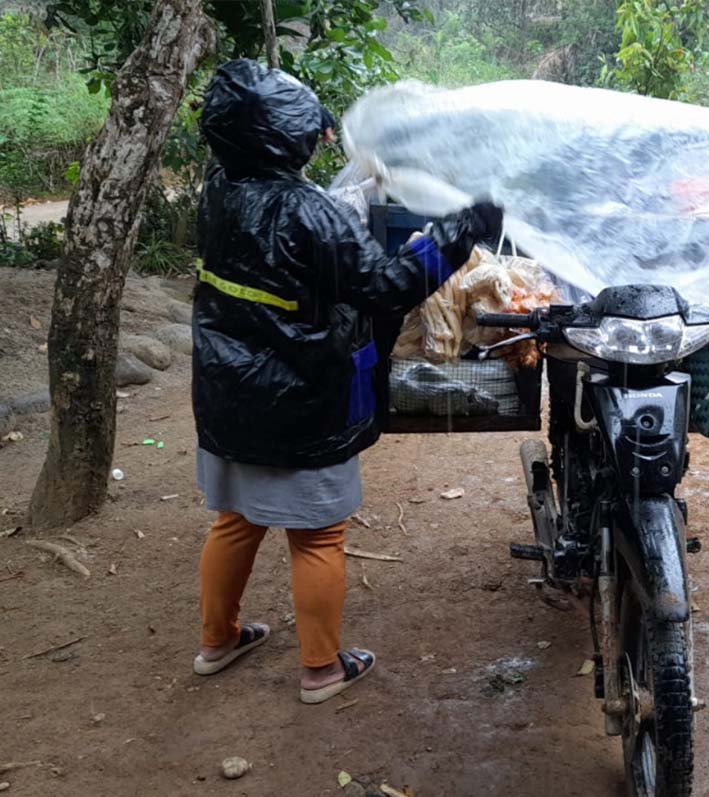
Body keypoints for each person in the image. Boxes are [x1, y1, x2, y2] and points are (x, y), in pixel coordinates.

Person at [190, 59, 502, 704]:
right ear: (285, 137)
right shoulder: (308, 211)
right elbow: (387, 286)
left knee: (234, 519)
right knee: (317, 535)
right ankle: (322, 669)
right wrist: (461, 227)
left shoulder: (217, 189)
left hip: (228, 388)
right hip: (302, 394)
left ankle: (217, 642)